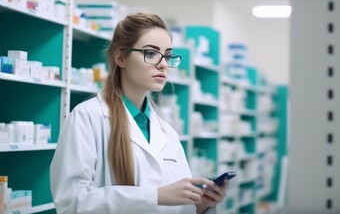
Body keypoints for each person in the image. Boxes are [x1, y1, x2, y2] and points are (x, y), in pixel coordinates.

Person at [50, 12, 229, 214]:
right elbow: (71, 202)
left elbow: (179, 208)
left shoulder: (167, 132)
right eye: (151, 53)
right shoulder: (88, 117)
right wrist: (156, 196)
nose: (163, 64)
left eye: (168, 55)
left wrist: (202, 203)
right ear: (120, 58)